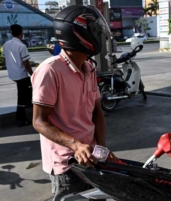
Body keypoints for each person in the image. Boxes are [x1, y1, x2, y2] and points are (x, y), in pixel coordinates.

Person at [31, 5, 117, 201]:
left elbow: (97, 113)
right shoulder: (50, 70)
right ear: (80, 34)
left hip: (91, 159)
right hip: (67, 165)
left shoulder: (89, 68)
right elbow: (39, 121)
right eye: (96, 32)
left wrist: (101, 150)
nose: (100, 38)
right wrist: (76, 145)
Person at [2, 24, 33, 127]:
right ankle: (21, 119)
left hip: (12, 74)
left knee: (26, 91)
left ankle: (28, 105)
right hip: (21, 75)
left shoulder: (6, 44)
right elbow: (26, 64)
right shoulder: (22, 46)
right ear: (21, 33)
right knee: (23, 96)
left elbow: (5, 59)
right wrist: (32, 74)